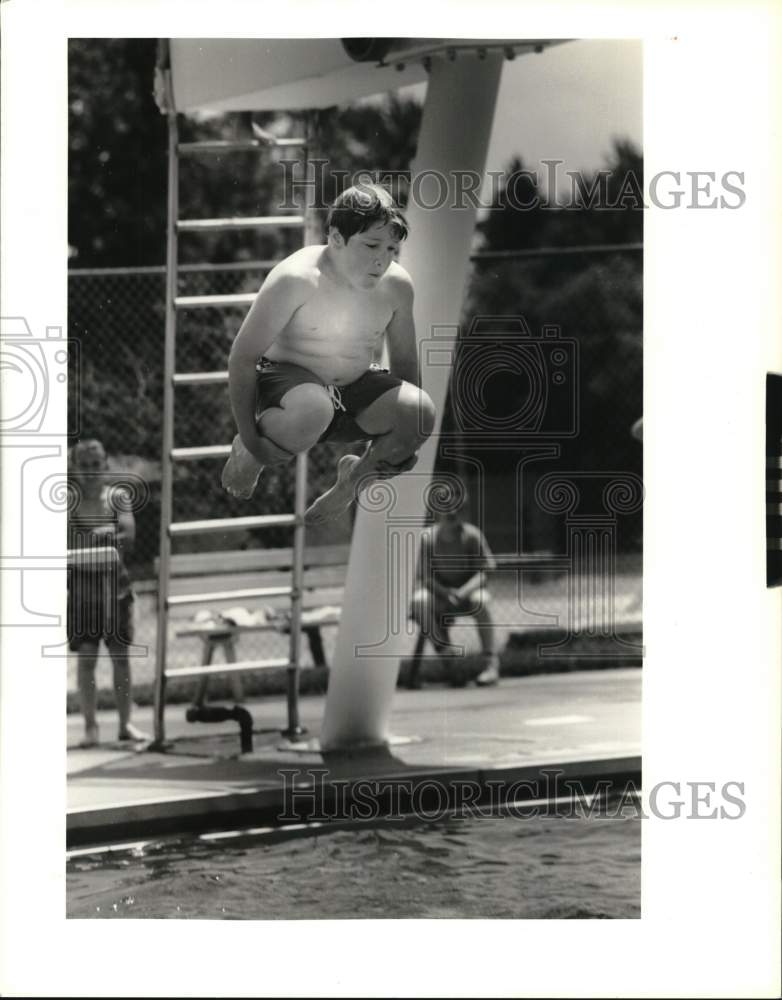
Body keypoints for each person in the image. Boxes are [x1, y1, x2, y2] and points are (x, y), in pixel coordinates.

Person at [221, 183, 436, 522]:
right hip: (290, 396)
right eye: (371, 245)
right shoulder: (297, 279)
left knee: (421, 411)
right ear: (336, 239)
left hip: (352, 390)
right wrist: (251, 440)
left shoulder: (397, 286)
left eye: (392, 249)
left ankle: (351, 484)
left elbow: (407, 364)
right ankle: (248, 454)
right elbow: (242, 358)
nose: (382, 259)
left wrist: (407, 437)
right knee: (313, 407)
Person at [67, 439, 149, 747]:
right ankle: (90, 727)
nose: (90, 472)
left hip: (115, 586)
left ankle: (126, 724)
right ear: (74, 468)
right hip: (83, 588)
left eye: (95, 465)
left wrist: (97, 539)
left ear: (105, 465)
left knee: (120, 657)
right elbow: (67, 544)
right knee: (87, 658)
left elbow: (128, 538)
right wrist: (101, 537)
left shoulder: (117, 497)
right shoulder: (68, 502)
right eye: (84, 466)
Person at [407, 489, 501, 688]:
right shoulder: (426, 538)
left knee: (481, 601)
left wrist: (462, 592)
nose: (451, 513)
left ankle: (490, 664)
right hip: (439, 595)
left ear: (464, 512)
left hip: (467, 593)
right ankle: (447, 657)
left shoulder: (472, 536)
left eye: (457, 509)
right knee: (418, 601)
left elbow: (485, 571)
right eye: (446, 508)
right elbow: (425, 577)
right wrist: (445, 592)